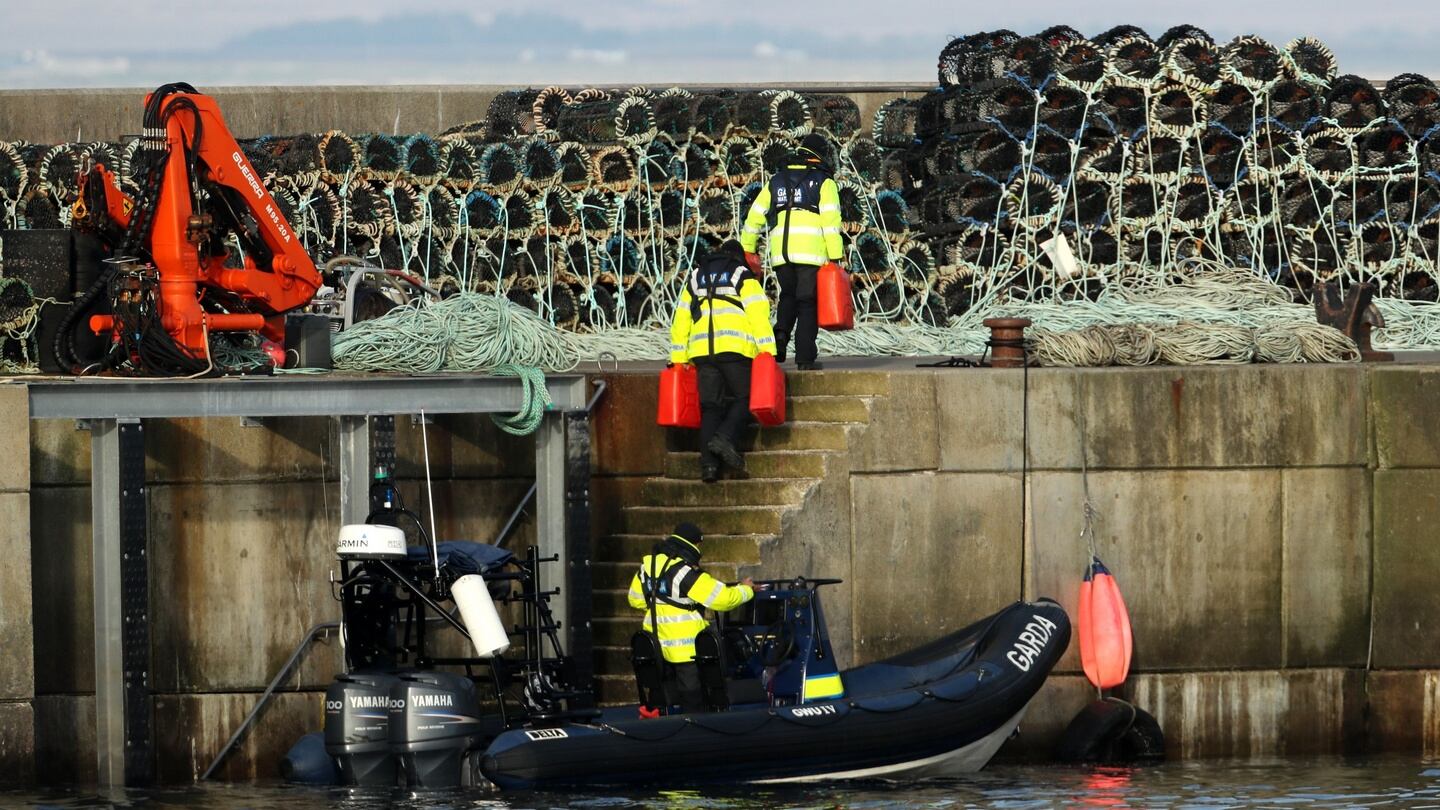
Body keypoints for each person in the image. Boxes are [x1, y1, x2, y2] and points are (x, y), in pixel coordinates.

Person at [668, 239, 776, 483]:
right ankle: (724, 438)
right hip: (734, 348)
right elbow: (759, 314)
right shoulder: (741, 275)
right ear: (738, 257)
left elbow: (681, 318)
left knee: (710, 408)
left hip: (701, 352)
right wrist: (767, 351)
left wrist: (678, 358)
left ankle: (708, 466)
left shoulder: (696, 276)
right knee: (745, 398)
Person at [740, 132, 845, 371]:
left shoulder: (776, 180)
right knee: (807, 302)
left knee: (788, 296)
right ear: (820, 156)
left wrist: (748, 248)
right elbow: (831, 222)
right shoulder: (823, 182)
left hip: (781, 253)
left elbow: (754, 216)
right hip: (810, 252)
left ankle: (779, 338)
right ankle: (805, 358)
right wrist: (836, 257)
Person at [627, 523, 755, 713]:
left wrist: (662, 605)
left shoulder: (648, 567)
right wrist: (746, 590)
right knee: (692, 698)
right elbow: (722, 600)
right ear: (694, 544)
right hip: (686, 648)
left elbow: (635, 600)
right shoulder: (684, 572)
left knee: (662, 695)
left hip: (656, 645)